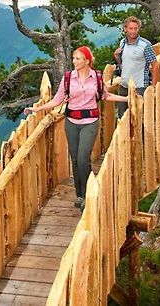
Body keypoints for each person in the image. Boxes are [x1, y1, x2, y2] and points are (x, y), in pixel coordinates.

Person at [24, 46, 128, 212]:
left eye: (78, 59)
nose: (74, 61)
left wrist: (127, 97)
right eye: (74, 58)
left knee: (82, 157)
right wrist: (36, 109)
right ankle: (79, 194)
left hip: (90, 121)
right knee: (75, 158)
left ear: (87, 61)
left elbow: (106, 96)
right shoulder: (68, 78)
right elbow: (57, 100)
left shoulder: (97, 77)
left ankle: (88, 195)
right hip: (71, 122)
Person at [114, 16, 159, 118]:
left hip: (140, 87)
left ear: (138, 29)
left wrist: (153, 86)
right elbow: (123, 64)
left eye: (136, 28)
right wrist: (117, 56)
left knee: (138, 117)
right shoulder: (122, 43)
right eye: (131, 28)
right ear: (125, 29)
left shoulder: (145, 45)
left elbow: (155, 65)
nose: (133, 31)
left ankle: (141, 134)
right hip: (124, 86)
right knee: (122, 117)